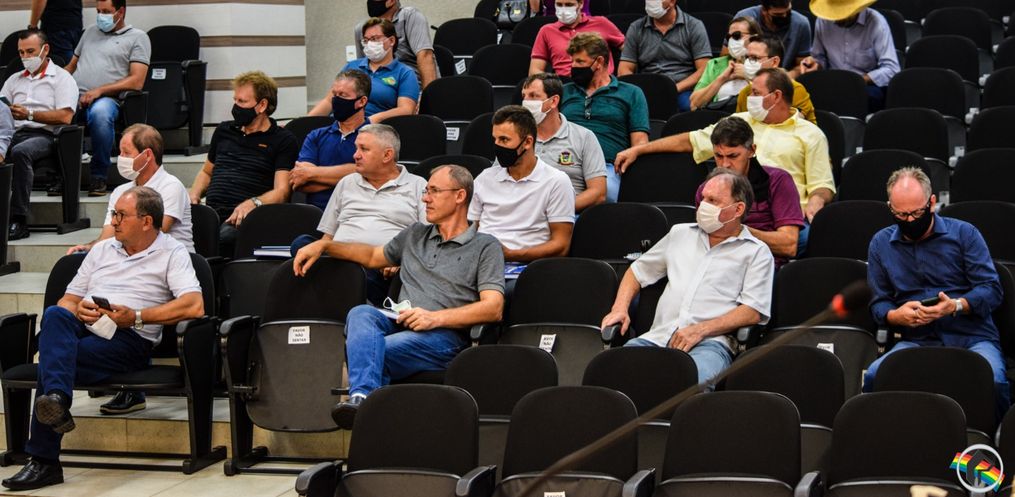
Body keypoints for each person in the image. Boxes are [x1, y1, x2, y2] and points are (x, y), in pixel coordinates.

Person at [0, 186, 204, 492]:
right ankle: (57, 401)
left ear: (146, 221)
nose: (114, 221)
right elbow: (68, 300)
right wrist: (78, 308)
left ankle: (44, 458)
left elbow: (194, 305)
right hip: (87, 328)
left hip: (129, 339)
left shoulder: (172, 252)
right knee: (56, 314)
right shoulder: (102, 249)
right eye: (113, 214)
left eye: (121, 215)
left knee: (56, 362)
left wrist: (135, 316)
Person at [294, 164, 504, 429]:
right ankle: (364, 402)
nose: (425, 198)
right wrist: (325, 245)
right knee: (361, 313)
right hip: (399, 321)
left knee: (372, 352)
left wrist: (434, 318)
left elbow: (493, 308)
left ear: (460, 196)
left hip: (444, 336)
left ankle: (363, 407)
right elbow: (372, 256)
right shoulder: (415, 234)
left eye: (434, 191)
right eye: (426, 191)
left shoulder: (486, 246)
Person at [616, 68, 834, 248]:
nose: (748, 97)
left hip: (784, 217)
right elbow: (690, 141)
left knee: (805, 238)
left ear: (776, 96)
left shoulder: (811, 134)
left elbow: (822, 185)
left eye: (755, 93)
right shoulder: (739, 122)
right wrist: (639, 150)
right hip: (730, 209)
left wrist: (817, 199)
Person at [602, 169, 774, 384]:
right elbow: (637, 272)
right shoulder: (680, 234)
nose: (703, 206)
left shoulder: (756, 252)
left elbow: (752, 311)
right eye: (704, 198)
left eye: (713, 201)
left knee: (688, 386)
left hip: (709, 344)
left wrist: (700, 330)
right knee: (611, 375)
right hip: (656, 339)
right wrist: (619, 308)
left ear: (738, 209)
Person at [864, 167, 1010, 419]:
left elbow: (992, 290)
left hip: (972, 337)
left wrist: (956, 305)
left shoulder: (964, 234)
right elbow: (879, 303)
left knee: (993, 382)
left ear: (932, 203)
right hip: (917, 340)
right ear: (890, 207)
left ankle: (996, 438)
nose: (910, 220)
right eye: (901, 214)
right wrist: (896, 315)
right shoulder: (880, 243)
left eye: (916, 213)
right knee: (875, 375)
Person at [290, 124, 427, 305]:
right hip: (338, 260)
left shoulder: (418, 185)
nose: (355, 155)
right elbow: (328, 237)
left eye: (364, 149)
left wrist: (402, 261)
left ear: (387, 155)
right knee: (302, 244)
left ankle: (333, 297)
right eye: (356, 148)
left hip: (380, 270)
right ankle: (342, 295)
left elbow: (428, 241)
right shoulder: (346, 183)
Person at [188, 71, 298, 257]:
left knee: (223, 240)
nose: (236, 107)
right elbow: (207, 172)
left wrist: (254, 203)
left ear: (262, 105)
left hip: (244, 218)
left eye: (242, 101)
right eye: (235, 100)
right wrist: (194, 193)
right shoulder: (224, 130)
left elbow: (282, 191)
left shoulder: (283, 140)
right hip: (211, 213)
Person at [65, 0, 150, 196]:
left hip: (109, 98)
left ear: (120, 11)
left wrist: (100, 91)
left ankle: (98, 176)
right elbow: (71, 67)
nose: (100, 16)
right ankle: (62, 176)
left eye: (106, 11)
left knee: (100, 114)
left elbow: (137, 81)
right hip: (75, 95)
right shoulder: (89, 32)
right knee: (58, 112)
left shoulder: (138, 37)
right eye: (98, 11)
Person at [470, 105, 575, 263]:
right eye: (495, 139)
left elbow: (561, 245)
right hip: (482, 263)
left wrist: (511, 254)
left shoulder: (556, 181)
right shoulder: (485, 178)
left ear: (527, 142)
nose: (497, 146)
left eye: (504, 139)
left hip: (529, 267)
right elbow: (469, 229)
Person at [694, 116, 802, 267]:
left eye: (733, 156)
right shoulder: (707, 189)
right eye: (718, 156)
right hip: (717, 264)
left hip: (763, 264)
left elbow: (789, 245)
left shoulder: (778, 181)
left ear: (752, 150)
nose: (725, 164)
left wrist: (737, 231)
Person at [2, 29, 78, 241]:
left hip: (47, 136)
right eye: (21, 52)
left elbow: (65, 116)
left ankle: (18, 219)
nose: (25, 57)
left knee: (20, 152)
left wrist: (30, 114)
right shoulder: (14, 80)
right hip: (14, 132)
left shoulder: (62, 78)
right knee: (11, 147)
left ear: (45, 49)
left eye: (30, 51)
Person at [559, 32, 650, 203]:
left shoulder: (631, 93)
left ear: (599, 62)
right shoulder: (564, 91)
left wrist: (631, 153)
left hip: (607, 166)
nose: (573, 66)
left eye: (580, 62)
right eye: (572, 61)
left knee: (605, 196)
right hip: (565, 162)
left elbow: (640, 140)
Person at [522, 73, 607, 212]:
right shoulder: (518, 136)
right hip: (522, 214)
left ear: (553, 101)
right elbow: (498, 179)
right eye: (524, 96)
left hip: (567, 215)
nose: (526, 102)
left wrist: (555, 211)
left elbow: (598, 193)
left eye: (533, 96)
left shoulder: (584, 137)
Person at [307, 18, 419, 122]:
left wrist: (372, 120)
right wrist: (303, 123)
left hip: (376, 128)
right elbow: (329, 101)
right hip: (340, 124)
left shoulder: (404, 73)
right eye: (366, 40)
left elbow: (406, 110)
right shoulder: (352, 66)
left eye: (374, 39)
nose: (369, 44)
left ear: (391, 41)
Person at [796, 0, 899, 111]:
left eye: (843, 14)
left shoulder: (876, 23)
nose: (837, 18)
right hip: (832, 82)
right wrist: (815, 65)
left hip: (865, 85)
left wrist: (858, 80)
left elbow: (891, 69)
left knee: (869, 98)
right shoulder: (823, 21)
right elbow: (819, 58)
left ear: (857, 10)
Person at [293, 70, 370, 210]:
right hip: (317, 214)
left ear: (362, 101)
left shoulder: (375, 136)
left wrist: (311, 173)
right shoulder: (316, 136)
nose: (336, 100)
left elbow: (369, 174)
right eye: (335, 95)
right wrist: (351, 173)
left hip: (358, 213)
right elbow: (300, 182)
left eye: (343, 95)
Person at [618, 0, 712, 112]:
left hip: (682, 89)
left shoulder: (694, 26)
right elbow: (624, 69)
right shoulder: (636, 28)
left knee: (690, 108)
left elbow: (704, 69)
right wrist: (639, 91)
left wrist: (672, 89)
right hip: (646, 90)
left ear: (672, 1)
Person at [529, 0, 625, 77]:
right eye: (559, 4)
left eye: (569, 4)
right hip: (565, 85)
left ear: (581, 4)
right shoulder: (546, 31)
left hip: (601, 84)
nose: (563, 10)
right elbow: (534, 70)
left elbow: (628, 49)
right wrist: (553, 83)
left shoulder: (601, 23)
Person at [734, 35, 816, 124]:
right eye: (747, 58)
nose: (748, 63)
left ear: (775, 61)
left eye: (755, 58)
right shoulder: (744, 93)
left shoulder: (795, 90)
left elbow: (805, 128)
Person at [356, 0, 439, 89]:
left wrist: (428, 94)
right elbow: (362, 65)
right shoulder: (361, 29)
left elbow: (425, 56)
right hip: (378, 86)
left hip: (414, 85)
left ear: (391, 1)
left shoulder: (409, 16)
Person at [689, 16, 761, 111]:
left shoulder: (764, 62)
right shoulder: (715, 64)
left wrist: (748, 76)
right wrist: (722, 78)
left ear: (754, 37)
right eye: (728, 37)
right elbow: (694, 104)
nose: (731, 41)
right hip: (718, 116)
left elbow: (769, 101)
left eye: (736, 36)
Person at [733, 0, 811, 70]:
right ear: (764, 10)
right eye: (778, 15)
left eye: (788, 11)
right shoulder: (744, 19)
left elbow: (802, 65)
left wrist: (787, 76)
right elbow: (729, 54)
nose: (784, 16)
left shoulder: (801, 24)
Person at [28, 0, 82, 66]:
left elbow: (40, 1)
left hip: (56, 27)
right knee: (73, 64)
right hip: (75, 24)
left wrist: (33, 26)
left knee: (62, 66)